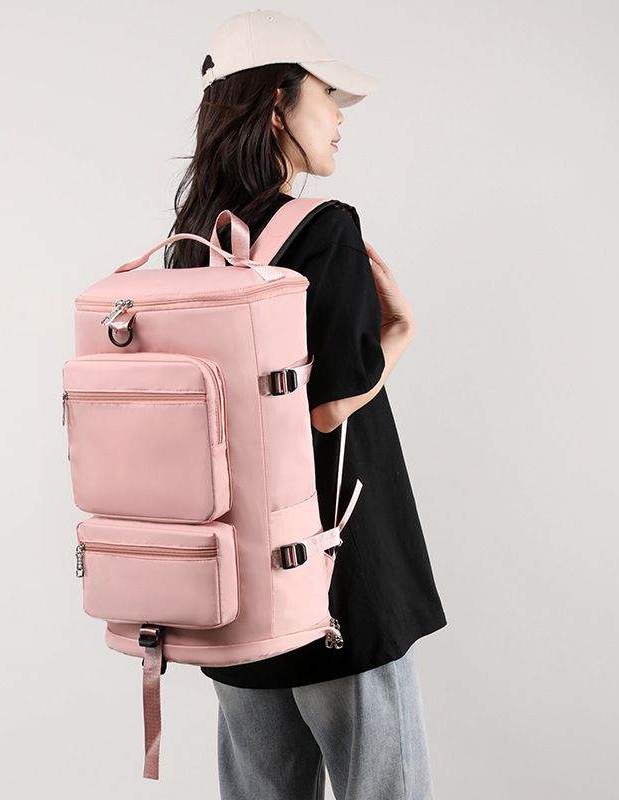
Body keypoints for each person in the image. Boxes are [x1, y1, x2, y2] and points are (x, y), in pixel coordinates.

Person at [165, 10, 448, 800]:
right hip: (336, 582)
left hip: (234, 589)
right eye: (327, 95)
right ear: (276, 106)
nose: (340, 119)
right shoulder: (324, 230)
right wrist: (400, 332)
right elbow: (330, 405)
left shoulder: (190, 246)